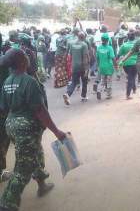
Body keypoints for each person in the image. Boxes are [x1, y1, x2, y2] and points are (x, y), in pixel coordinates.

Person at [0, 48, 66, 211]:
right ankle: (7, 203)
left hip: (12, 125)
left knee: (34, 153)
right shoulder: (29, 81)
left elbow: (3, 108)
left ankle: (42, 183)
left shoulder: (7, 81)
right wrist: (56, 131)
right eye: (25, 56)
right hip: (26, 129)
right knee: (24, 167)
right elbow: (40, 110)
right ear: (22, 61)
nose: (28, 58)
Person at [63, 32, 90, 105]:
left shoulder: (72, 44)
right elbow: (85, 57)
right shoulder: (84, 45)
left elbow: (70, 55)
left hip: (74, 66)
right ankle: (83, 96)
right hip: (82, 67)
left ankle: (68, 94)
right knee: (84, 81)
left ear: (78, 36)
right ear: (83, 37)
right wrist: (86, 68)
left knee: (74, 82)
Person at [96, 33, 117, 100]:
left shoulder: (99, 48)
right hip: (109, 67)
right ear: (108, 40)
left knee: (102, 80)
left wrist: (98, 66)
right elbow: (113, 58)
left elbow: (97, 58)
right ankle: (108, 95)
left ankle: (99, 90)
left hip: (102, 67)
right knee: (109, 81)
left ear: (101, 40)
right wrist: (115, 65)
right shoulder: (109, 48)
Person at [118, 30, 137, 99]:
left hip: (126, 64)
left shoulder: (124, 45)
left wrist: (116, 63)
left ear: (128, 37)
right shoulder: (137, 44)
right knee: (131, 77)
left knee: (131, 76)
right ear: (134, 37)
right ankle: (128, 94)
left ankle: (134, 89)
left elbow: (118, 55)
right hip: (135, 63)